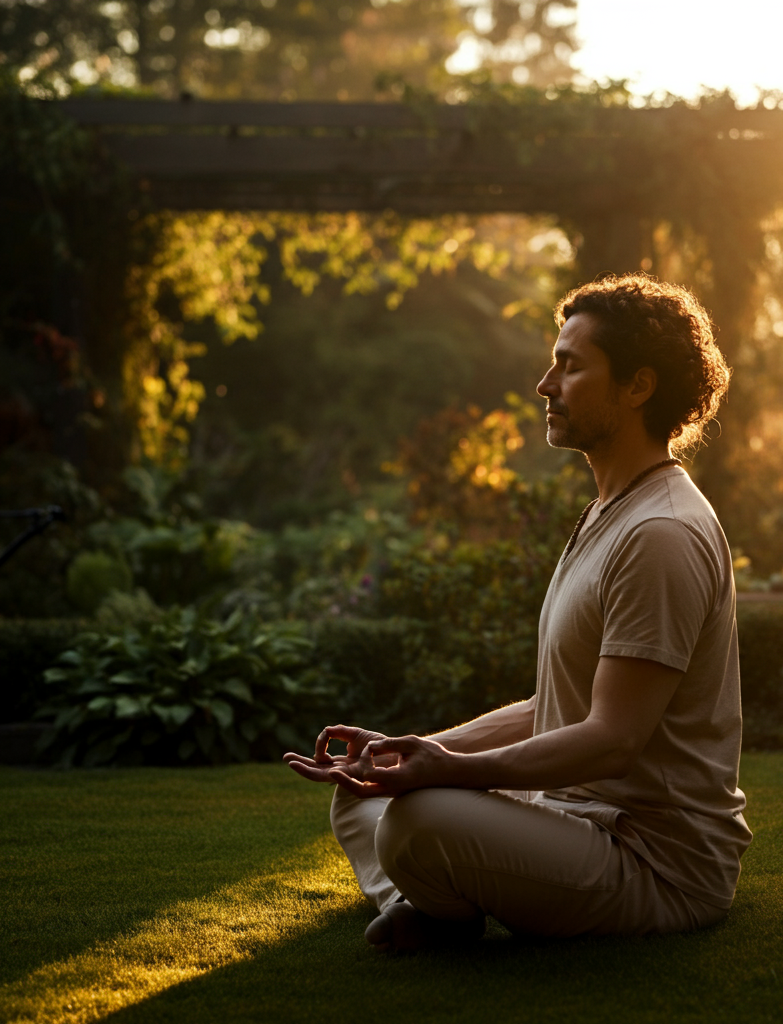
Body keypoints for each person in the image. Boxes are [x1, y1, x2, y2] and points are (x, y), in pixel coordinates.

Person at [284, 273, 751, 952]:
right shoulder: (609, 513)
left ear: (638, 387)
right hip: (569, 818)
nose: (545, 384)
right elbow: (556, 706)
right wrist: (415, 751)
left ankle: (436, 902)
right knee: (367, 794)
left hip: (652, 863)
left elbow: (613, 738)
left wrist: (449, 772)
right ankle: (436, 908)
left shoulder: (661, 534)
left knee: (419, 821)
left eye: (571, 366)